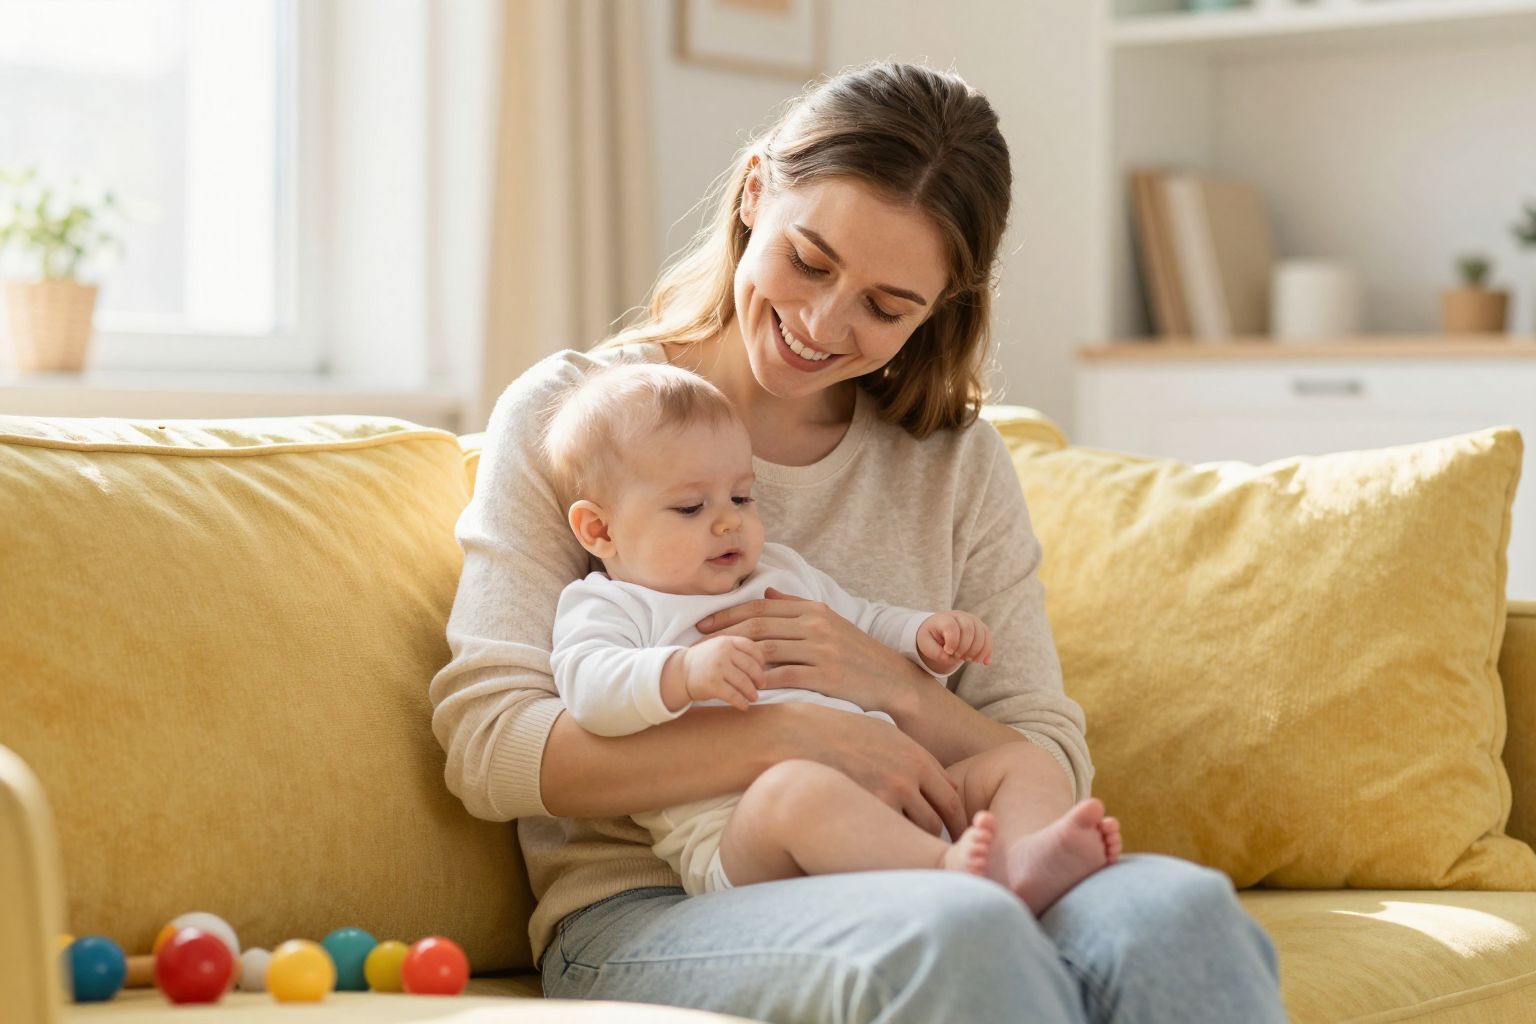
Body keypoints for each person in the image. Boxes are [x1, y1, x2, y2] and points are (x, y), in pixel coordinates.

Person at [430, 61, 1287, 1023]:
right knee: (957, 936)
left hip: (954, 862)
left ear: (941, 308)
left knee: (1178, 913)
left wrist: (886, 683)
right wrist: (789, 733)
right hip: (659, 905)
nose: (822, 323)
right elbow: (491, 745)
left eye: (887, 307)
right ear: (755, 192)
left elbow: (1043, 744)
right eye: (810, 260)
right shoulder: (577, 418)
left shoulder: (954, 462)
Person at [541, 361, 1123, 911]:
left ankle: (1024, 866)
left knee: (1025, 763)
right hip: (746, 838)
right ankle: (951, 874)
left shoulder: (778, 571)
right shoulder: (610, 606)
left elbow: (863, 621)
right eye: (691, 507)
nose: (727, 520)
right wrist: (682, 673)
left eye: (742, 497)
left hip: (902, 792)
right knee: (795, 791)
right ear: (600, 529)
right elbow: (590, 691)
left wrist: (921, 633)